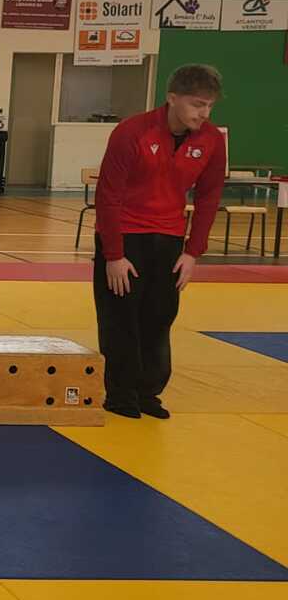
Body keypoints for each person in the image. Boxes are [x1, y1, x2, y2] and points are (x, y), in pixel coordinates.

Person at [92, 64, 226, 420]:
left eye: (209, 105)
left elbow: (209, 196)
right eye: (197, 104)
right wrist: (114, 254)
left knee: (159, 317)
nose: (204, 113)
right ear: (172, 98)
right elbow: (108, 194)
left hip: (169, 240)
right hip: (125, 237)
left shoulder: (212, 139)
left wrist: (193, 252)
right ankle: (120, 394)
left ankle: (148, 393)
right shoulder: (131, 131)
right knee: (120, 318)